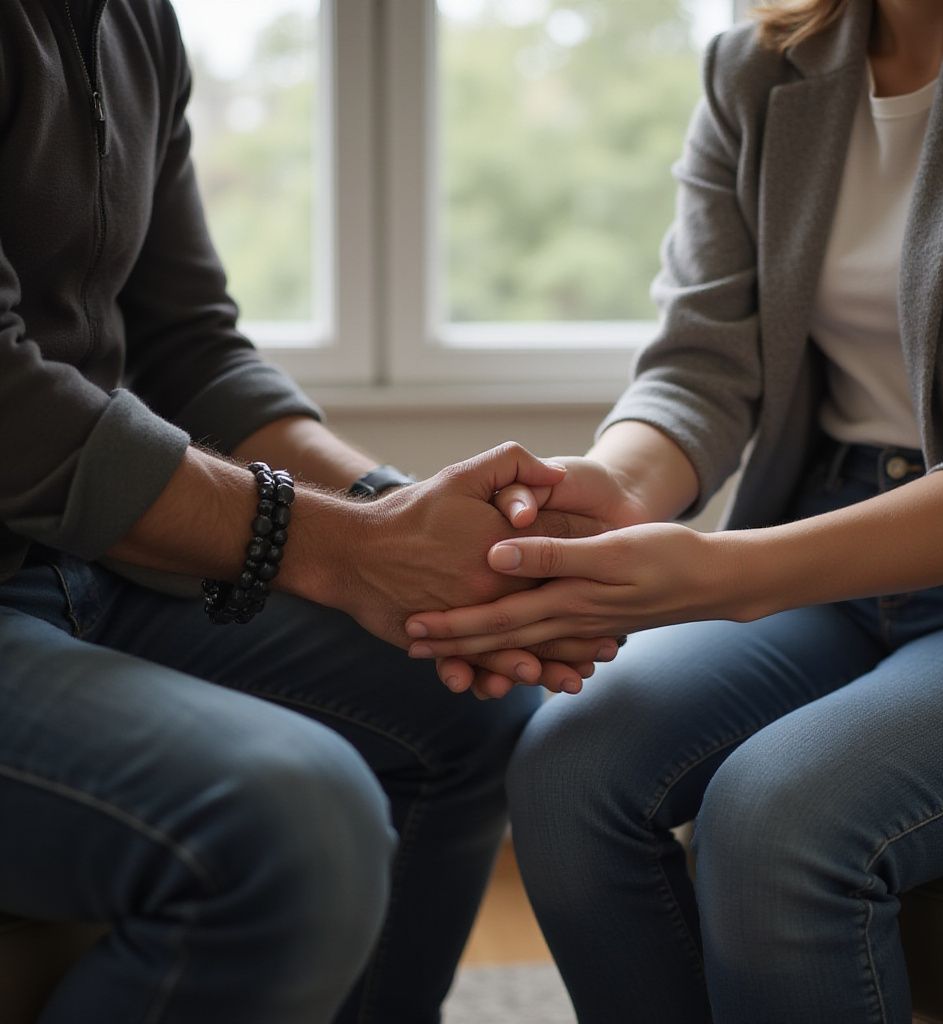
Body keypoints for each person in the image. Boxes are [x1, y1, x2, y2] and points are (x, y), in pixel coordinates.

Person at [403, 0, 943, 1020]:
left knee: (776, 817)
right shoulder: (758, 71)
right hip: (827, 520)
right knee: (565, 770)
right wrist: (613, 487)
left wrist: (729, 575)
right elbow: (702, 363)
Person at [0, 2, 615, 1022]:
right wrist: (345, 549)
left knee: (467, 696)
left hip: (81, 561)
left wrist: (402, 515)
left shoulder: (133, 20)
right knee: (300, 824)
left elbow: (189, 346)